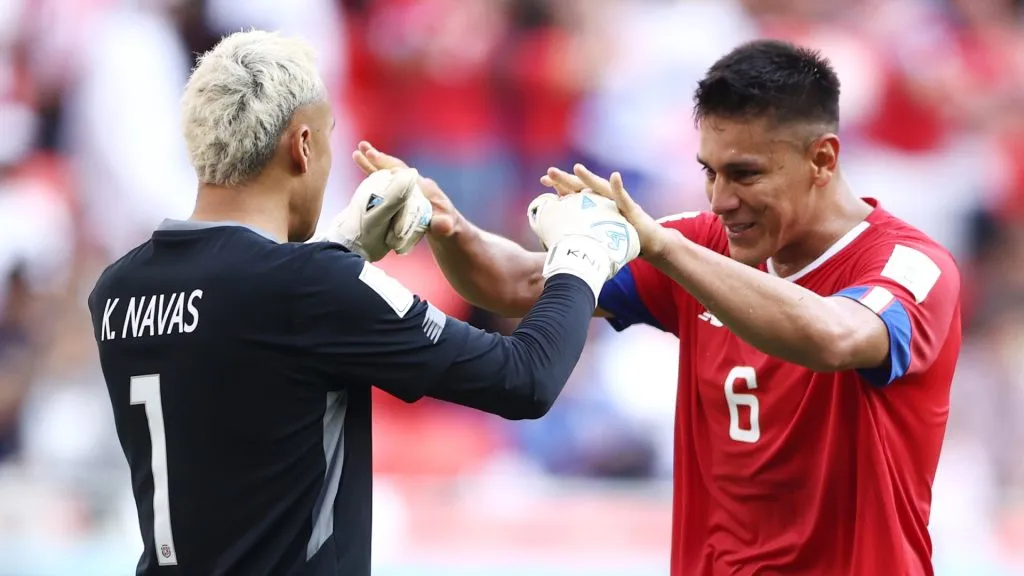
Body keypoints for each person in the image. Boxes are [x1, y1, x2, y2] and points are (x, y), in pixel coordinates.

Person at [352, 39, 963, 576]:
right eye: (709, 172)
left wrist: (666, 248)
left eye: (744, 174)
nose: (721, 200)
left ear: (823, 159)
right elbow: (514, 283)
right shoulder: (696, 245)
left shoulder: (911, 267)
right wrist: (449, 227)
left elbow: (834, 335)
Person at [87, 30, 639, 576]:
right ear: (303, 146)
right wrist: (581, 258)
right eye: (328, 136)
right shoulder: (308, 287)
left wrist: (342, 251)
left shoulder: (115, 289)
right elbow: (525, 379)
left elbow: (248, 373)